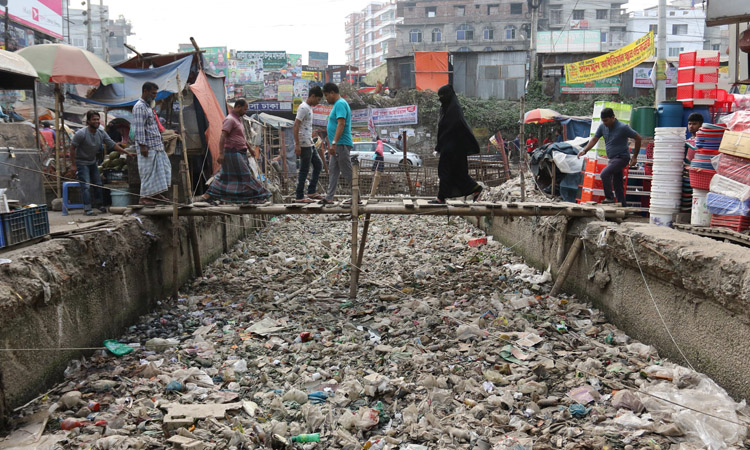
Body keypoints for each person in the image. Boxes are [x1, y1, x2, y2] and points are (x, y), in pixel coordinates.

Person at [199, 99, 271, 204]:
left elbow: (241, 137)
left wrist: (250, 148)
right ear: (238, 107)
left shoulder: (238, 120)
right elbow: (222, 136)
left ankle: (208, 195)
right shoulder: (230, 119)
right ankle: (259, 195)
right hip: (233, 152)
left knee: (224, 176)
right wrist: (221, 153)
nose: (246, 111)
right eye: (245, 109)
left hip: (240, 152)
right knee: (245, 175)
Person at [577, 107, 641, 206]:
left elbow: (638, 138)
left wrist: (635, 157)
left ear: (613, 117)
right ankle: (622, 206)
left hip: (622, 157)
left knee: (604, 174)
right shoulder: (603, 127)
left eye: (606, 120)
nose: (605, 123)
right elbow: (594, 139)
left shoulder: (623, 127)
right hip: (612, 159)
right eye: (603, 121)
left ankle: (609, 198)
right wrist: (584, 150)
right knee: (618, 184)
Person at [69, 110, 129, 215]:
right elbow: (72, 148)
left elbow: (112, 144)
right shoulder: (81, 134)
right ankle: (87, 209)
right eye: (94, 120)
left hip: (92, 161)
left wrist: (126, 152)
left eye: (97, 119)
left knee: (98, 183)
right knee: (86, 185)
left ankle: (99, 204)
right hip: (82, 162)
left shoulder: (101, 133)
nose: (96, 121)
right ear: (88, 121)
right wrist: (73, 165)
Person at [431, 84, 483, 204]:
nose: (440, 99)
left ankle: (441, 198)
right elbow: (443, 130)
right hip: (451, 148)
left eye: (442, 96)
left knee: (444, 171)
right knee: (457, 173)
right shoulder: (448, 108)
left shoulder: (454, 110)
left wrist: (442, 146)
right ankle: (475, 189)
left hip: (453, 148)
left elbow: (452, 129)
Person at [132, 81, 171, 206]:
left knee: (162, 170)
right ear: (146, 91)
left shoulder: (148, 106)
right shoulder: (139, 107)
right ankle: (144, 197)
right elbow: (139, 128)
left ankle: (155, 194)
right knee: (148, 172)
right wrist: (143, 145)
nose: (155, 96)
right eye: (153, 93)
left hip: (156, 145)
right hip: (147, 146)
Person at [322, 82, 354, 205]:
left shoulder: (340, 104)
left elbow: (341, 124)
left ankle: (357, 197)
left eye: (326, 95)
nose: (326, 98)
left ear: (332, 93)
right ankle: (329, 197)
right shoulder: (338, 104)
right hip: (337, 145)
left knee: (347, 172)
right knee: (333, 171)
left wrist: (334, 143)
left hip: (341, 144)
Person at [293, 86, 324, 203]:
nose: (318, 102)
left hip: (309, 142)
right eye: (318, 99)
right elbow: (296, 125)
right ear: (312, 96)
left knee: (318, 165)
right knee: (304, 170)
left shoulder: (309, 108)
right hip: (303, 143)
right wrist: (297, 144)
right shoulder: (303, 108)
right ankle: (299, 196)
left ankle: (311, 191)